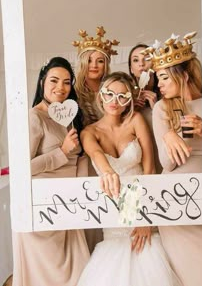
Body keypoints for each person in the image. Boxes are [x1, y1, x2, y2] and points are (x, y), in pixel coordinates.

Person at [145, 32, 202, 286]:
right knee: (190, 277)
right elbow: (168, 164)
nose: (159, 84)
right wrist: (172, 137)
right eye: (157, 78)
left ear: (183, 75)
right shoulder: (162, 108)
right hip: (174, 204)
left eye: (164, 77)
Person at [77, 72, 182, 286]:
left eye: (122, 96)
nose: (114, 102)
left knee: (148, 261)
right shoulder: (89, 132)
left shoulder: (136, 120)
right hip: (112, 211)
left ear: (129, 101)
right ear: (101, 96)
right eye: (110, 94)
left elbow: (150, 169)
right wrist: (107, 171)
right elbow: (96, 154)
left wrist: (144, 217)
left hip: (142, 203)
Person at [13, 57, 90, 286]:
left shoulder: (70, 116)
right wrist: (62, 153)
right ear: (42, 83)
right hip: (43, 209)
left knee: (79, 274)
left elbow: (78, 160)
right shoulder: (34, 116)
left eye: (67, 82)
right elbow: (22, 169)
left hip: (69, 206)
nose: (61, 88)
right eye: (54, 81)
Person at [72, 26, 119, 253]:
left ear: (106, 64)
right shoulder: (72, 93)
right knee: (93, 209)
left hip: (115, 154)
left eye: (100, 61)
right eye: (89, 60)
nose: (94, 65)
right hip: (87, 159)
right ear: (83, 62)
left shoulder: (115, 89)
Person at [128, 43, 162, 173]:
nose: (141, 64)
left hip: (162, 159)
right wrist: (131, 109)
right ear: (131, 68)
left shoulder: (166, 94)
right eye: (135, 60)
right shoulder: (124, 96)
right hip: (137, 164)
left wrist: (157, 108)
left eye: (146, 59)